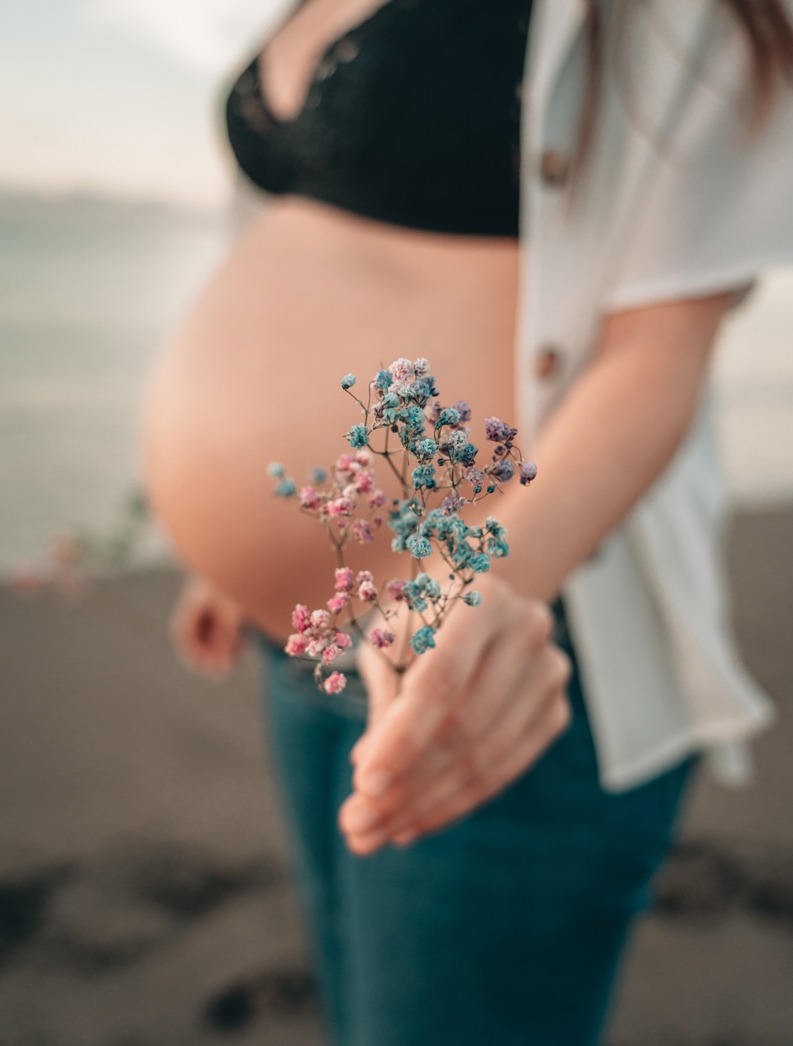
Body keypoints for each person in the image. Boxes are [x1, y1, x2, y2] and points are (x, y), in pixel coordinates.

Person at [141, 1, 793, 1042]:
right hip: (305, 639)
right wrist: (239, 537)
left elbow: (659, 349)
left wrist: (484, 576)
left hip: (502, 645)